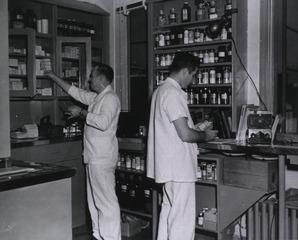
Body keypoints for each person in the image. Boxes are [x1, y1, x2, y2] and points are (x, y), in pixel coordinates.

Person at [44, 64, 121, 240]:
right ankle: (99, 236)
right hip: (94, 158)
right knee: (95, 203)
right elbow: (76, 92)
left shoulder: (110, 98)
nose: (89, 80)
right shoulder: (97, 97)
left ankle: (111, 238)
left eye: (92, 77)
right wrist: (54, 77)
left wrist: (82, 113)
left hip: (101, 159)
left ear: (102, 79)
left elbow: (103, 122)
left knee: (106, 203)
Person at [146, 52, 217, 240]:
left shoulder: (161, 91)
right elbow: (185, 134)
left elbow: (172, 130)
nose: (192, 81)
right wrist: (205, 136)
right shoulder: (173, 93)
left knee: (169, 214)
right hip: (178, 168)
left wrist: (198, 128)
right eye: (193, 75)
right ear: (185, 71)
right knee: (182, 221)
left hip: (170, 167)